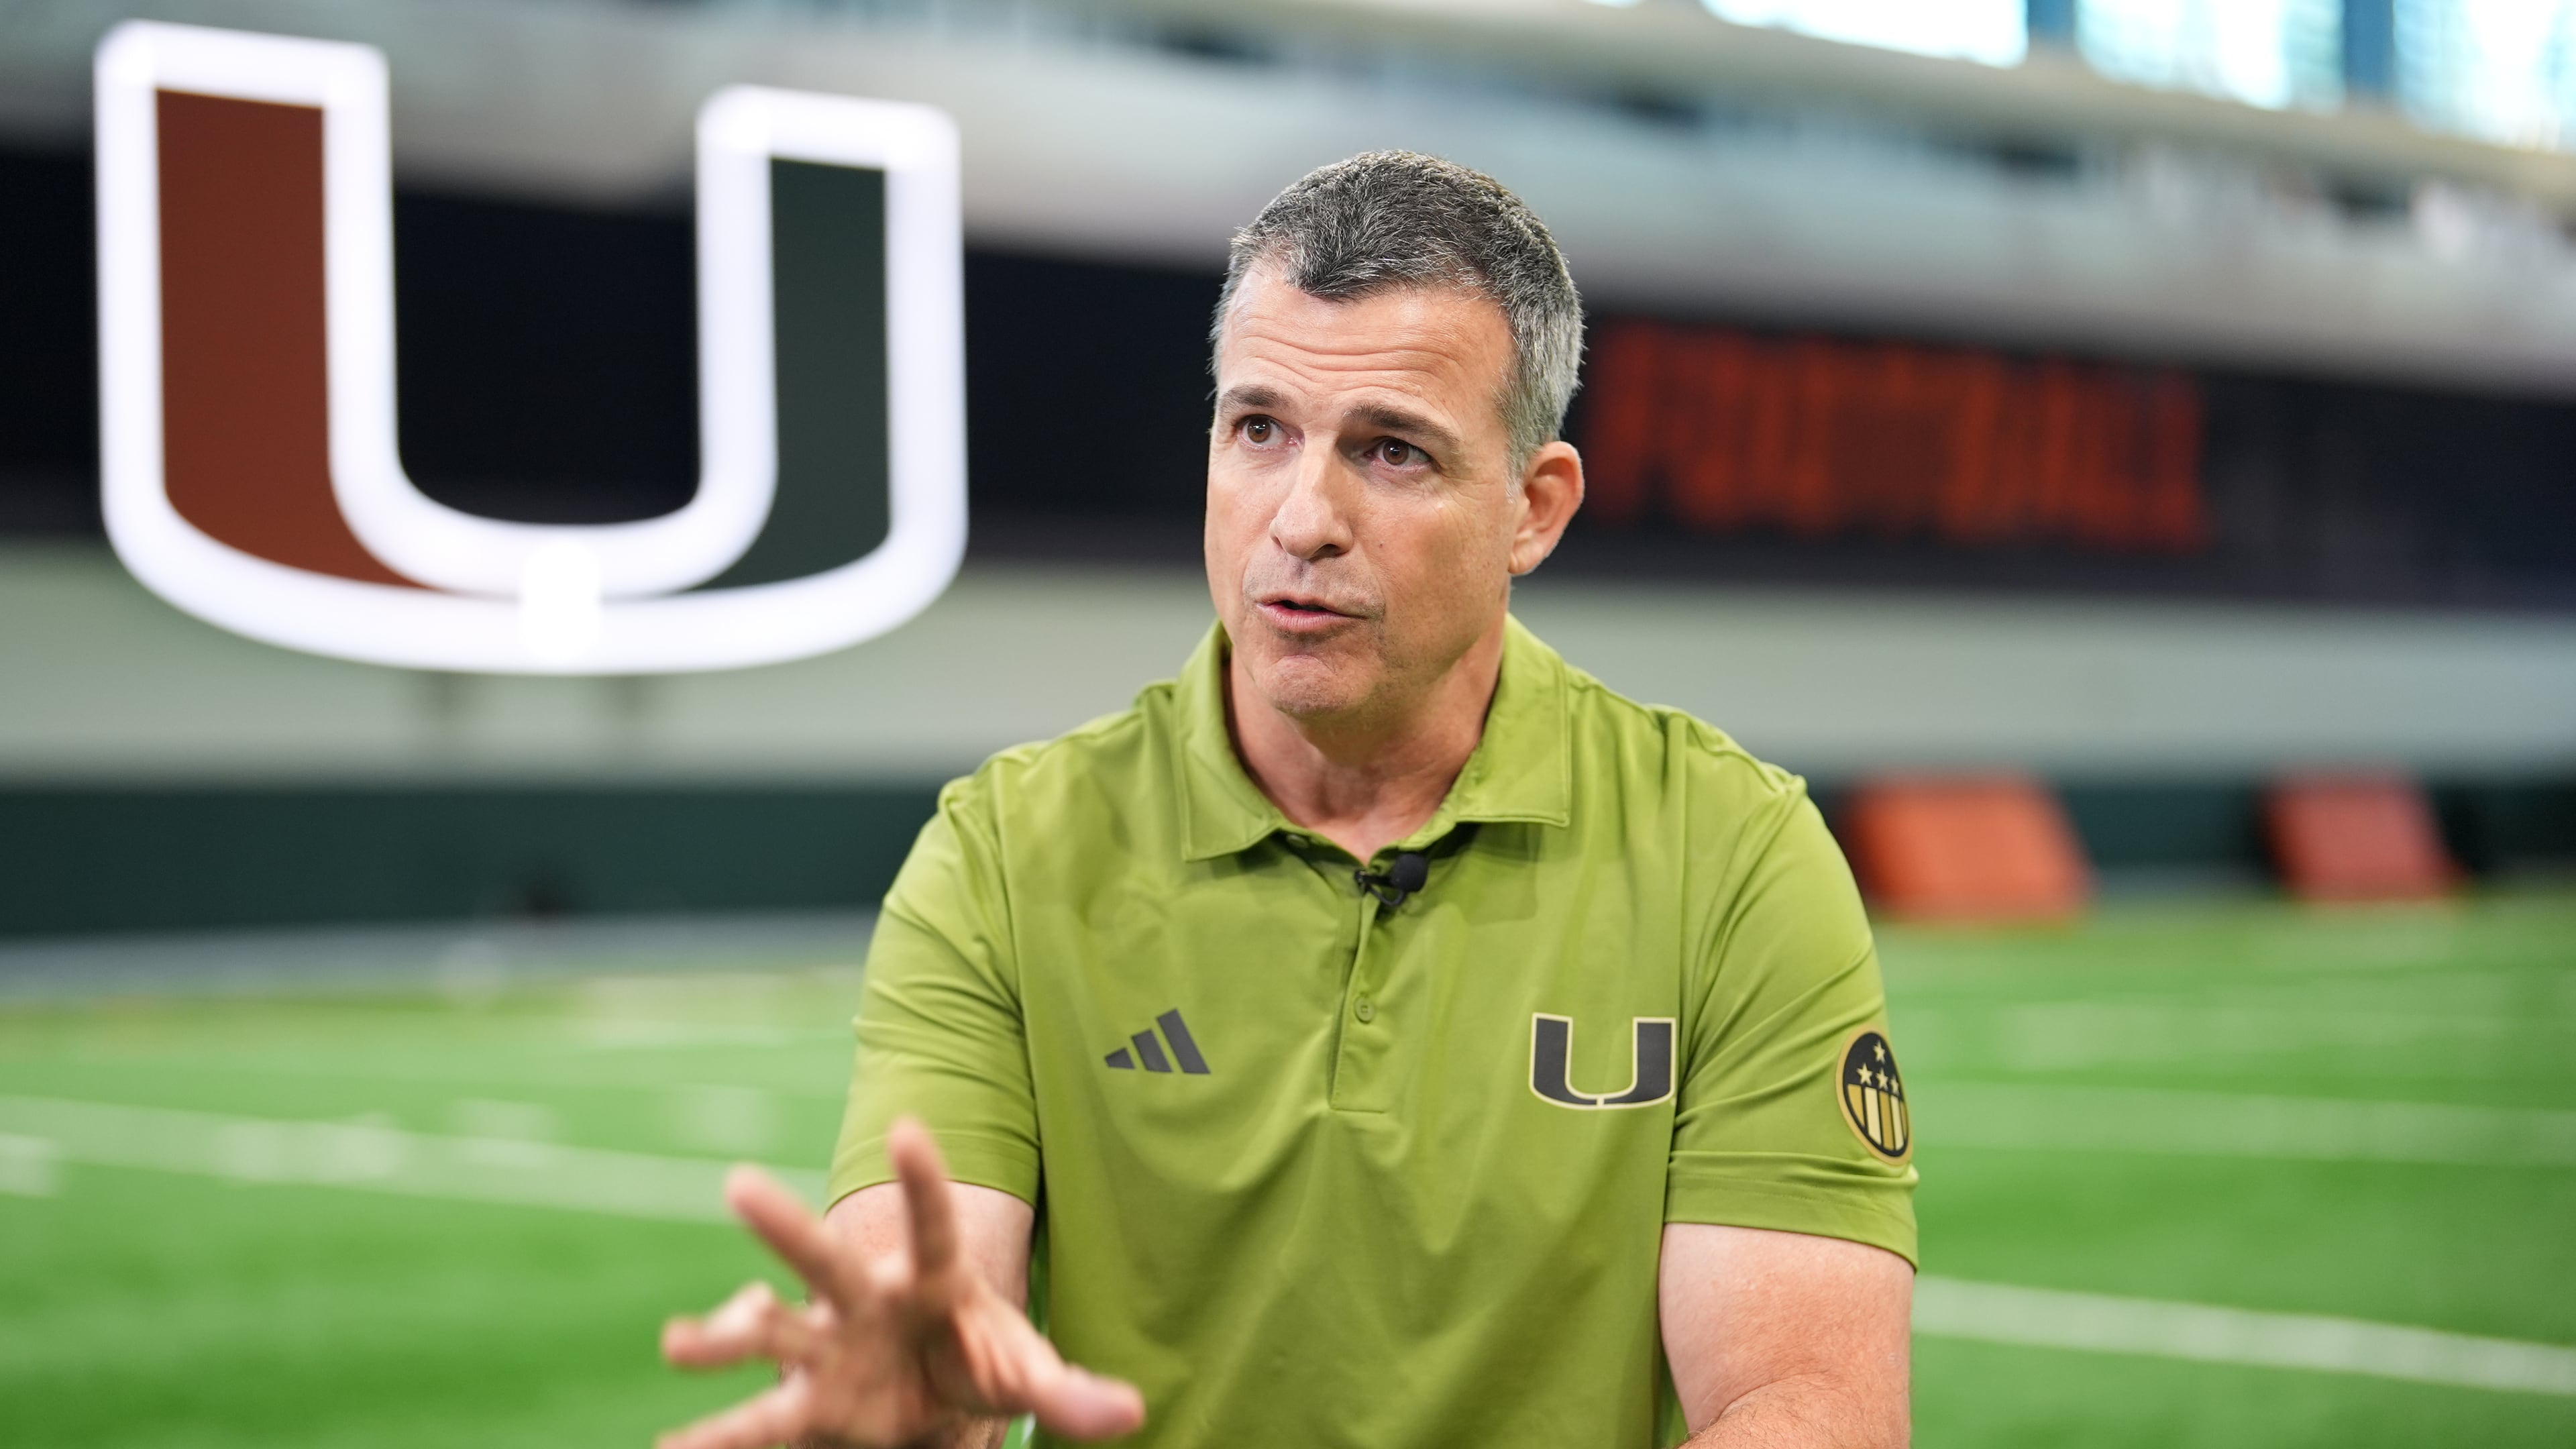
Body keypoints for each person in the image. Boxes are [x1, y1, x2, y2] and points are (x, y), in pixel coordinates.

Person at [658, 150, 1917, 1449]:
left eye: (1391, 452)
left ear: (1531, 509)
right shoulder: (1002, 858)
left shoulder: (1731, 857)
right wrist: (911, 1411)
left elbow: (1806, 1409)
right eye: (1260, 428)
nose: (1302, 518)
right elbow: (940, 1314)